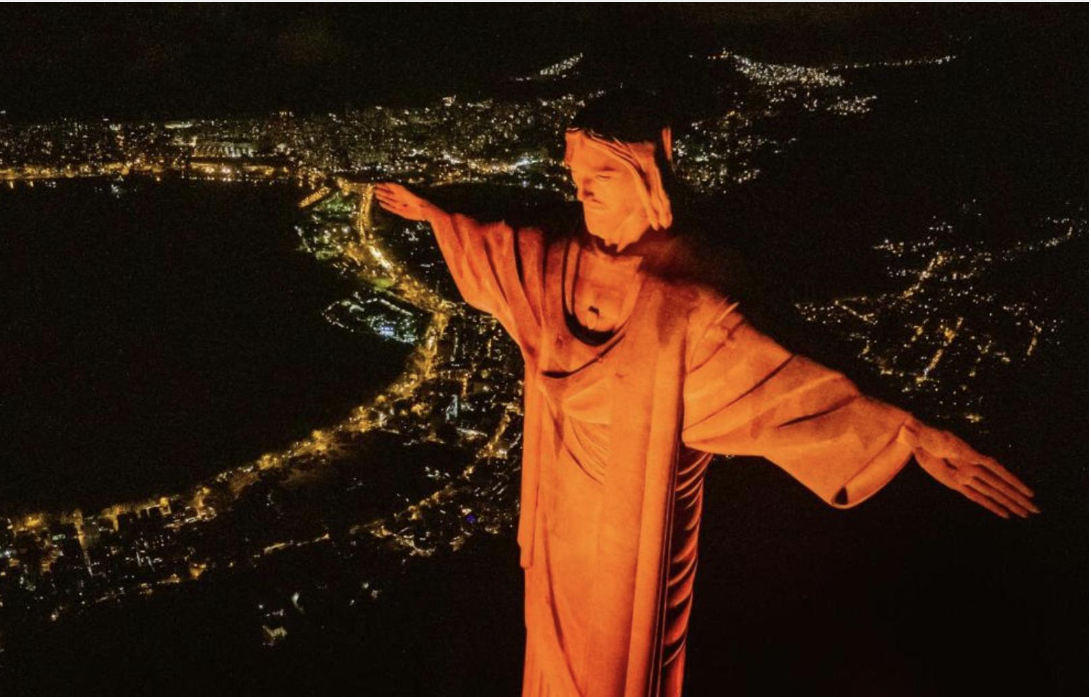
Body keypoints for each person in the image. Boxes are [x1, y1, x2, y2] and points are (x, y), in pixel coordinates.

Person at [374, 90, 1038, 697]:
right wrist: (435, 214)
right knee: (546, 655)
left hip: (629, 528)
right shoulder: (556, 264)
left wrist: (910, 432)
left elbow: (792, 381)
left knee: (612, 672)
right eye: (577, 183)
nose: (585, 195)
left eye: (599, 180)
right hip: (558, 518)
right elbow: (498, 247)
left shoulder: (688, 304)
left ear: (646, 179)